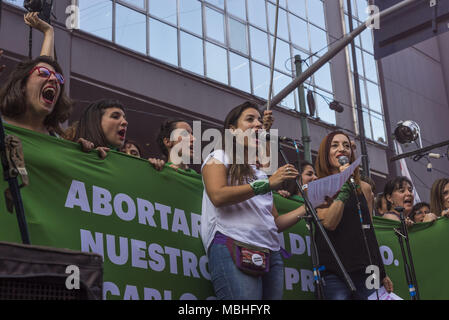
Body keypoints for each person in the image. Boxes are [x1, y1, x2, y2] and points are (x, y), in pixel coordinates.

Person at [200, 101, 307, 300]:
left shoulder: (260, 173)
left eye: (259, 120)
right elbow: (218, 195)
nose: (257, 124)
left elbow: (274, 222)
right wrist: (266, 185)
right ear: (232, 130)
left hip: (271, 252)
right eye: (250, 119)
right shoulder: (218, 156)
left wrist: (308, 208)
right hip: (235, 243)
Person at [314, 130, 392, 300]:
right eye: (335, 145)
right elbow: (329, 223)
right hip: (335, 271)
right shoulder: (317, 186)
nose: (342, 149)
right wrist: (343, 187)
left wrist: (382, 272)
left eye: (346, 145)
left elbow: (369, 232)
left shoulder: (364, 188)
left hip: (366, 270)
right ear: (325, 153)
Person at [70, 99, 164, 169]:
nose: (125, 122)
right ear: (95, 122)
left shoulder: (123, 166)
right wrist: (81, 156)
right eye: (115, 116)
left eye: (124, 118)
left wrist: (152, 171)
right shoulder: (72, 154)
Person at [0, 55, 71, 136]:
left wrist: (80, 148)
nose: (54, 79)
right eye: (44, 73)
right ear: (23, 85)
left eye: (58, 78)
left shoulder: (58, 142)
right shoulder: (2, 128)